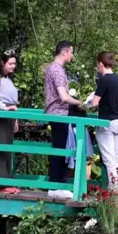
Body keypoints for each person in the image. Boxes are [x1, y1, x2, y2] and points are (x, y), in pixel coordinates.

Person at [44, 41, 83, 186]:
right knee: (60, 150)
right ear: (64, 52)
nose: (72, 56)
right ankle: (56, 183)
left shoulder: (51, 68)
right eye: (71, 52)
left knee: (59, 148)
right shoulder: (58, 70)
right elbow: (63, 96)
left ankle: (56, 182)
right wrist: (79, 102)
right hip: (58, 113)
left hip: (54, 113)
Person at [88, 51, 118, 190]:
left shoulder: (104, 80)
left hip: (106, 123)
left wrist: (87, 101)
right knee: (115, 157)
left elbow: (94, 103)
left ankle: (114, 191)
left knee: (108, 159)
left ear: (100, 64)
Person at [0, 54, 20, 187]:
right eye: (10, 63)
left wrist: (15, 119)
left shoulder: (9, 79)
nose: (13, 66)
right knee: (0, 148)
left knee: (7, 149)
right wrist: (4, 108)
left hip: (9, 117)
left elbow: (14, 102)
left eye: (14, 63)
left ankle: (5, 180)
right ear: (2, 63)